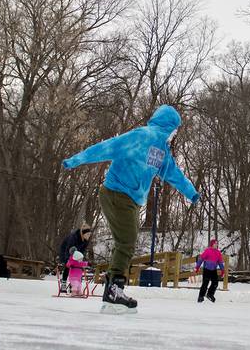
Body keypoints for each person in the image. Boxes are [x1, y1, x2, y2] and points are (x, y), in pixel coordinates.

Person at [62, 105, 200, 313]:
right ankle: (114, 290)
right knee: (126, 242)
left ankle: (112, 289)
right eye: (175, 129)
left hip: (131, 200)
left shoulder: (162, 151)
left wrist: (191, 192)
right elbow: (108, 147)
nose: (175, 134)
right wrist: (76, 160)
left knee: (125, 242)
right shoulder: (141, 136)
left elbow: (174, 174)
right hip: (116, 192)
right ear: (169, 126)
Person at [56, 224, 92, 293]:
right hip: (66, 251)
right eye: (87, 234)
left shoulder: (86, 241)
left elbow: (82, 251)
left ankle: (73, 285)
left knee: (78, 267)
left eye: (89, 234)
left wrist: (80, 259)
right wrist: (67, 260)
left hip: (76, 253)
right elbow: (68, 249)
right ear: (83, 234)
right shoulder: (73, 237)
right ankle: (63, 284)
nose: (89, 236)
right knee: (68, 266)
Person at [195, 238, 225, 303]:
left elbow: (220, 262)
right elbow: (201, 259)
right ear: (212, 244)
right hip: (206, 270)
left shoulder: (218, 253)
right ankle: (201, 296)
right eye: (215, 243)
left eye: (217, 243)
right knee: (205, 283)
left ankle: (210, 294)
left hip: (213, 270)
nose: (216, 245)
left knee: (215, 283)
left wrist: (223, 270)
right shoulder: (207, 251)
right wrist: (197, 267)